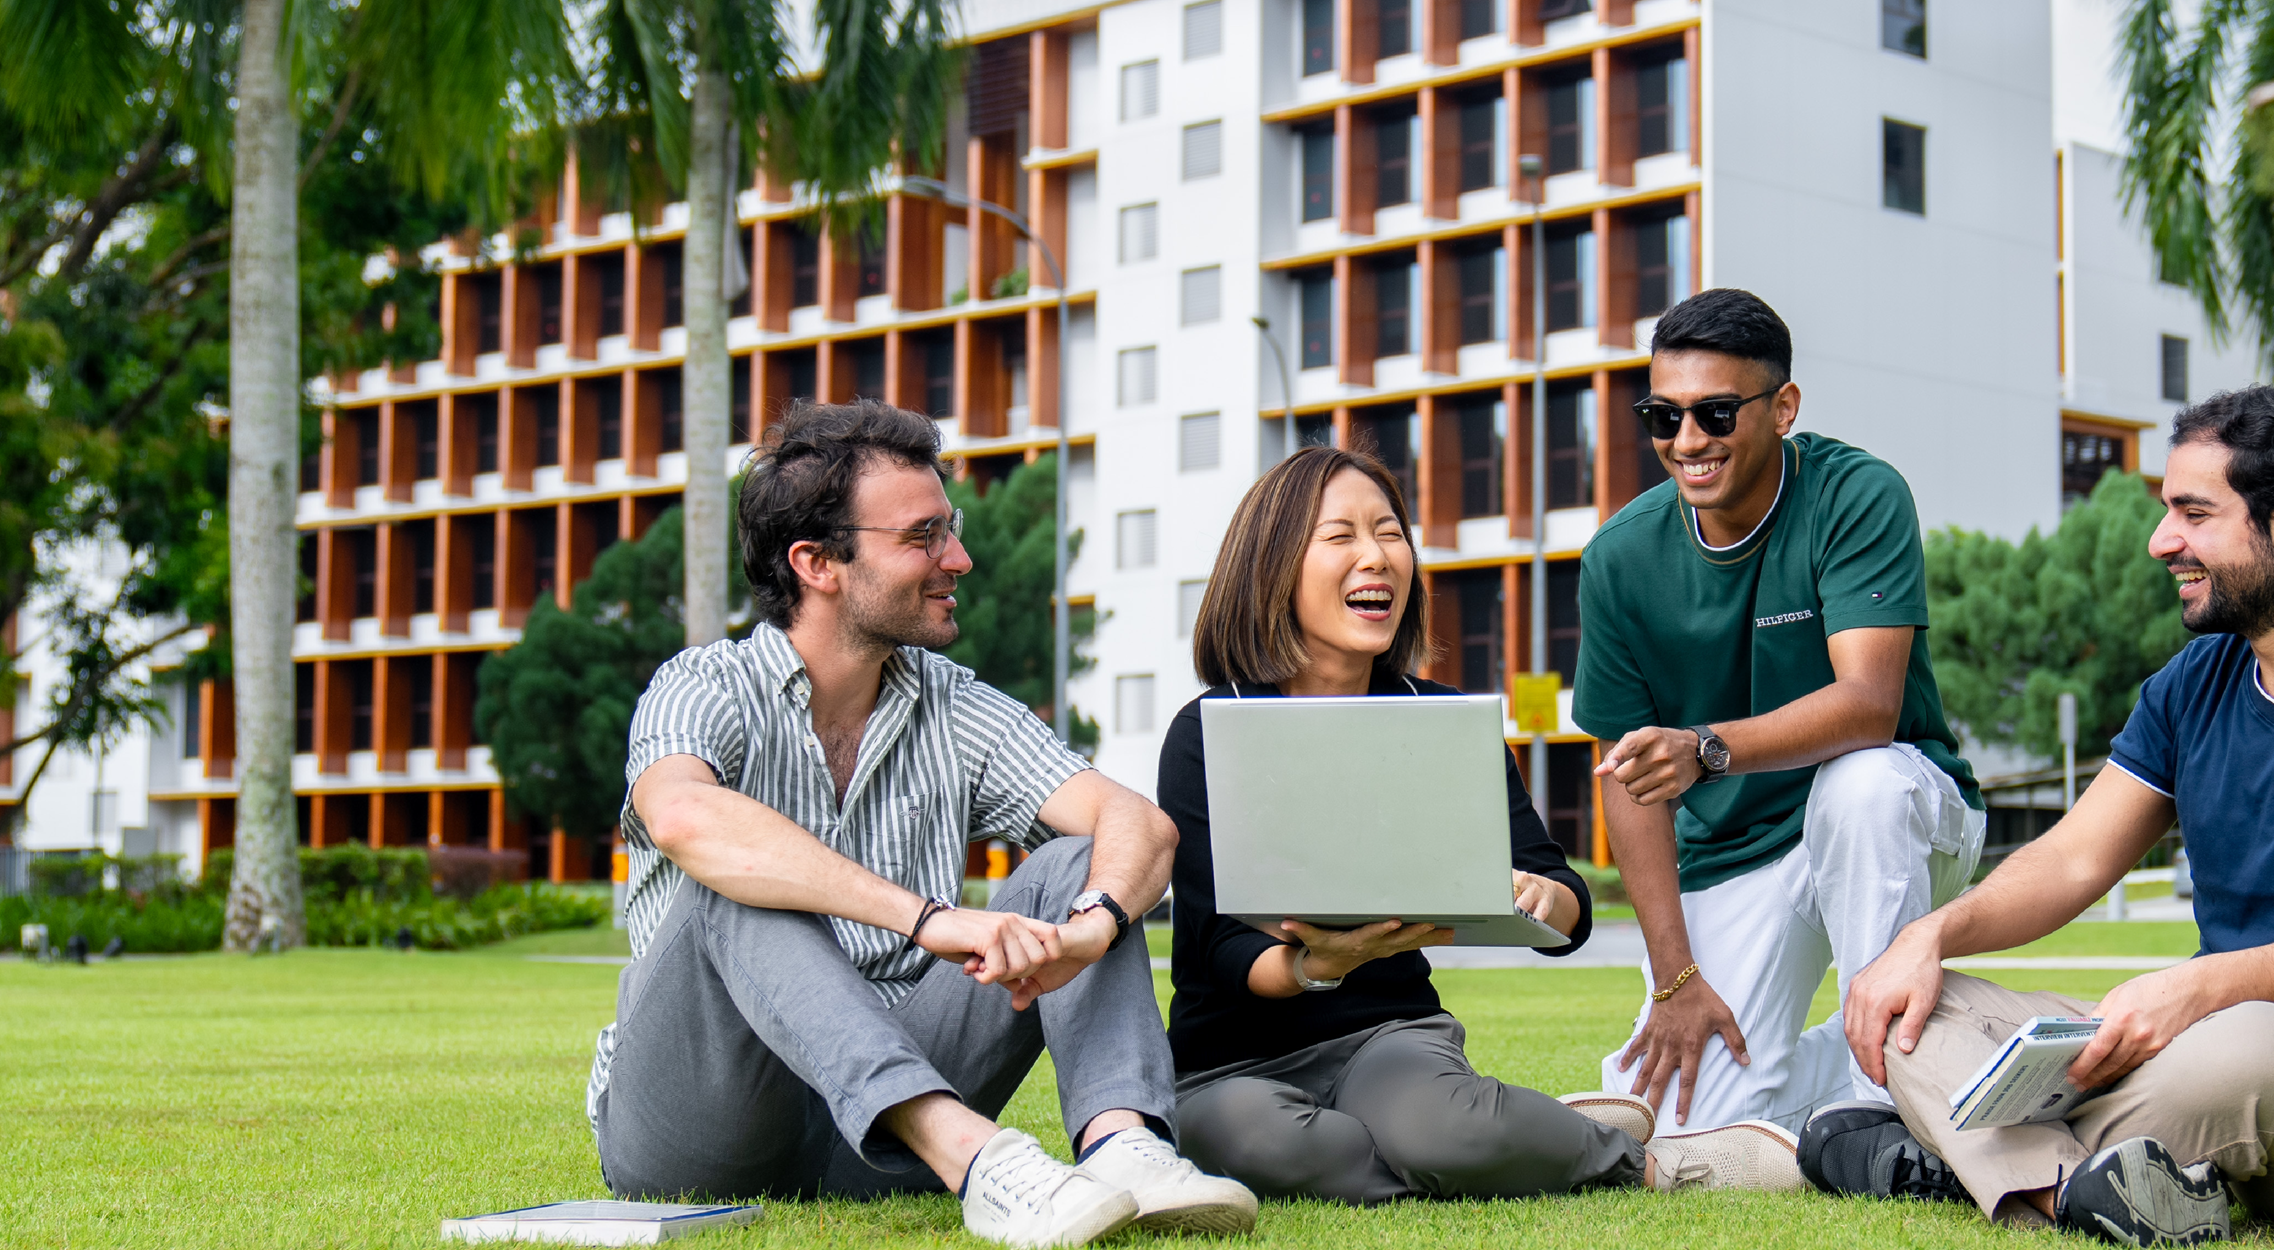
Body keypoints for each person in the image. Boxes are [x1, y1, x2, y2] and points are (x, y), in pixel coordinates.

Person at [1807, 386, 2274, 1246]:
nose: (2160, 541)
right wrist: (1928, 939)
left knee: (2247, 1047)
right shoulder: (2193, 683)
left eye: (2193, 513)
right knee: (1918, 1008)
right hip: (2198, 1050)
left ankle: (1967, 1156)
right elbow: (2070, 862)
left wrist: (2193, 989)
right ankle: (2073, 1191)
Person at [592, 400, 1256, 1249]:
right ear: (817, 562)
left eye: (953, 529)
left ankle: (1122, 1148)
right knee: (732, 881)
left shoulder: (955, 706)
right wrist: (926, 918)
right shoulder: (704, 686)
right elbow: (686, 817)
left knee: (1083, 861)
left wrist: (1094, 926)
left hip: (874, 1140)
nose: (960, 559)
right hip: (704, 1123)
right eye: (923, 537)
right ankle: (982, 1164)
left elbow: (1135, 823)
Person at [1156, 446, 1806, 1201]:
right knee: (1290, 1148)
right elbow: (1216, 945)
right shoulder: (1209, 730)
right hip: (1230, 1067)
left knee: (1438, 1131)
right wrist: (1319, 964)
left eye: (1390, 533)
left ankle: (1649, 1163)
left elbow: (1567, 906)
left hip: (1388, 1040)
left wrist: (1538, 895)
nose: (1377, 557)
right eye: (1341, 537)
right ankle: (1519, 1134)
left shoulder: (1439, 720)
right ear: (1272, 566)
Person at [1570, 288, 1987, 1135]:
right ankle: (1937, 1042)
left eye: (1716, 414)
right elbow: (1628, 776)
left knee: (1860, 785)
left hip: (1904, 812)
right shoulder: (1619, 558)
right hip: (1742, 851)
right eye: (1664, 416)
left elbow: (1871, 706)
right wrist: (1675, 978)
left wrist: (1707, 748)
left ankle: (1881, 1107)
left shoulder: (1857, 493)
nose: (1688, 442)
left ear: (1782, 407)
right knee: (1690, 1117)